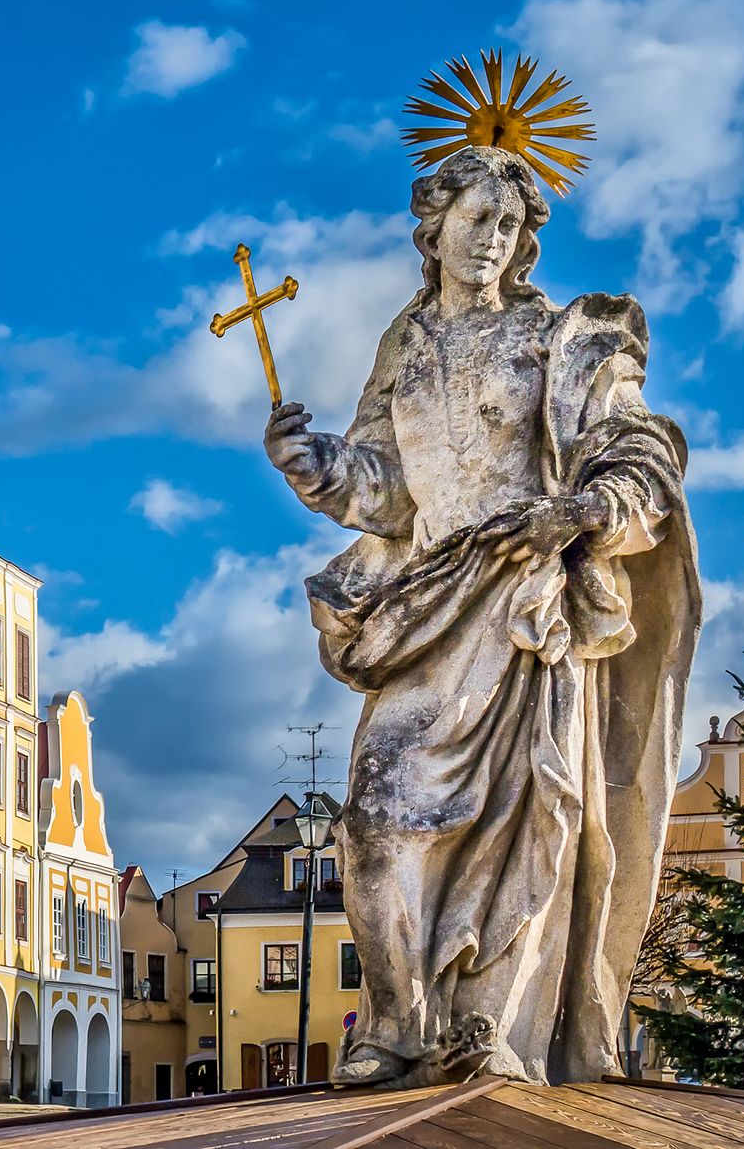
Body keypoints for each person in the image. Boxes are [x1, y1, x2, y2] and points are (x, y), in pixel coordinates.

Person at [264, 146, 699, 1087]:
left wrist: (581, 512)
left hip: (524, 601)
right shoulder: (406, 344)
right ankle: (396, 1020)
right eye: (477, 220)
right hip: (429, 603)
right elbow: (387, 486)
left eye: (509, 227)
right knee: (378, 817)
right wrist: (319, 468)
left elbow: (642, 455)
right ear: (437, 227)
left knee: (522, 816)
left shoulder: (559, 340)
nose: (493, 241)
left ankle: (487, 1024)